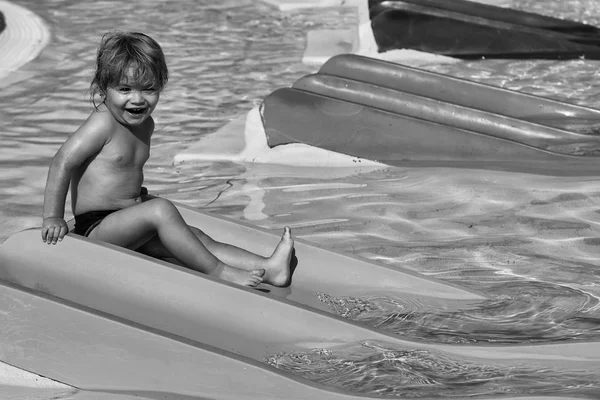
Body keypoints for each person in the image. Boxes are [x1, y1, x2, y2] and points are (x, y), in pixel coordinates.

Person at [41, 31, 293, 288]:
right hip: (96, 227)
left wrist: (136, 197)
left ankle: (270, 269)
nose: (137, 99)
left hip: (125, 219)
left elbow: (121, 171)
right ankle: (219, 271)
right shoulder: (101, 123)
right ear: (103, 88)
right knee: (161, 210)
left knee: (194, 238)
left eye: (148, 89)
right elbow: (62, 161)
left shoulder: (145, 125)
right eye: (125, 89)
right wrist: (53, 217)